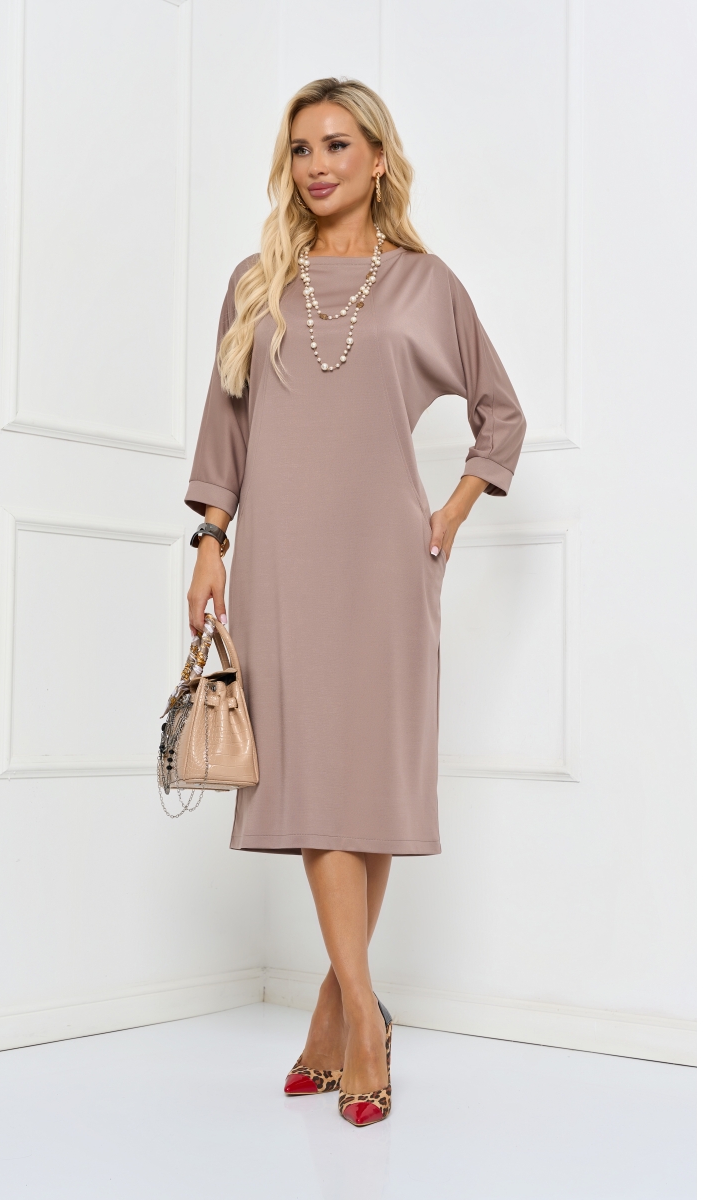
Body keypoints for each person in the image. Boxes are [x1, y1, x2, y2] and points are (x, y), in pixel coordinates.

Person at [184, 77, 526, 1127]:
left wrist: (451, 513)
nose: (317, 165)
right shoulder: (256, 282)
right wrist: (209, 541)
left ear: (379, 157)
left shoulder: (426, 284)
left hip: (385, 562)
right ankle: (361, 1014)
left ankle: (344, 1016)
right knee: (317, 785)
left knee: (363, 790)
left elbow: (502, 415)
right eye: (300, 149)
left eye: (337, 144)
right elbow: (226, 429)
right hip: (283, 563)